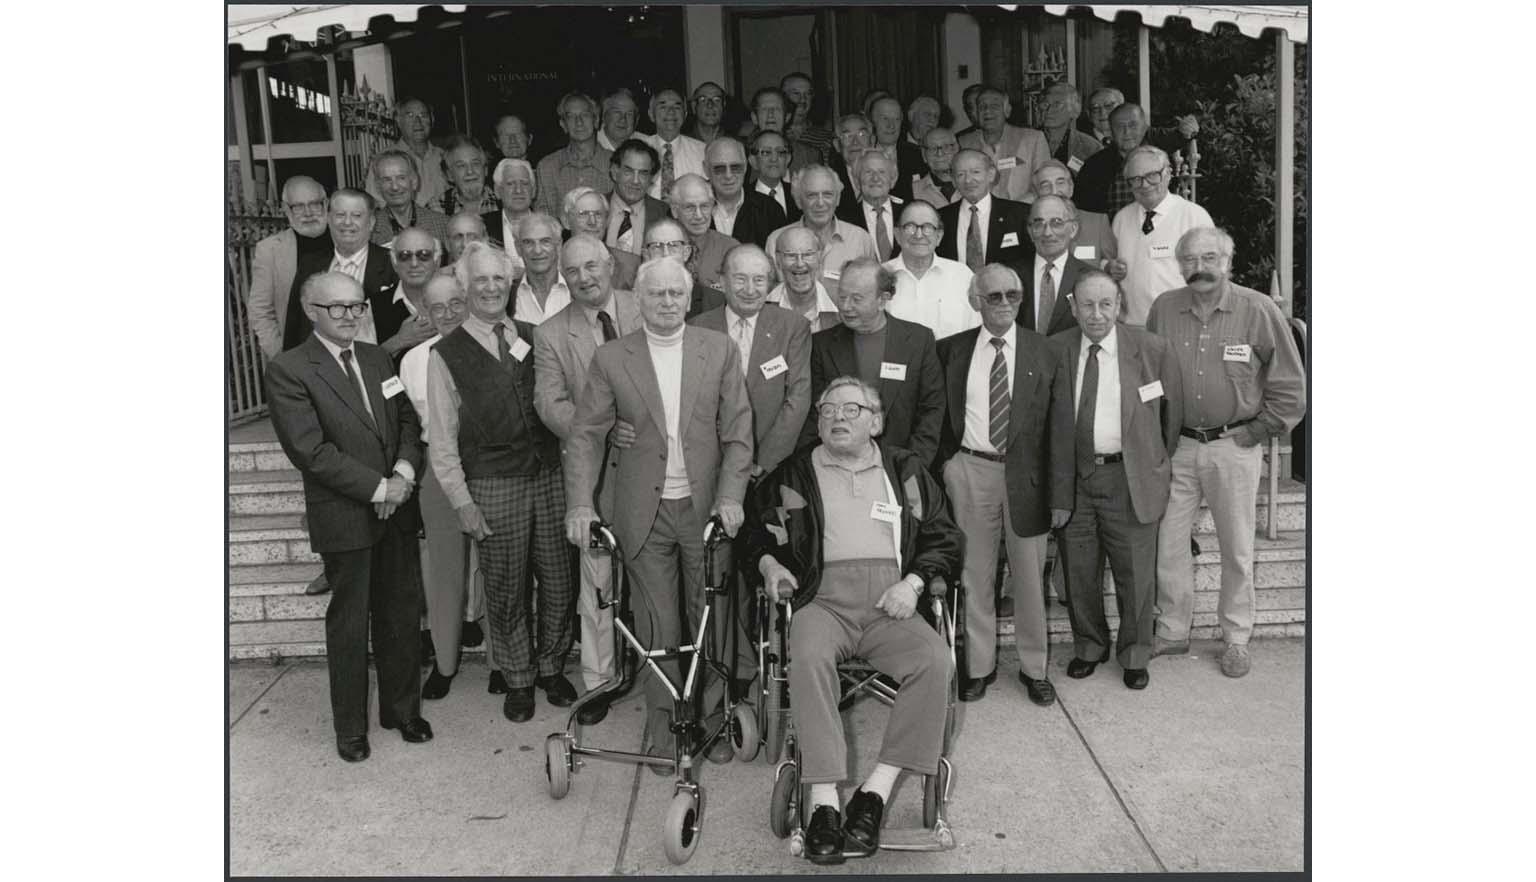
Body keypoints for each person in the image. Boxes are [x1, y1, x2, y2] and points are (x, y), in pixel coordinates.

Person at [741, 376, 962, 863]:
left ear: (876, 421)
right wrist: (770, 564)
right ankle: (822, 802)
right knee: (809, 655)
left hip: (891, 602)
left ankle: (873, 794)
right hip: (822, 601)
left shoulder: (905, 471)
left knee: (934, 661)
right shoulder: (793, 474)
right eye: (827, 410)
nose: (837, 417)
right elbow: (755, 535)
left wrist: (915, 584)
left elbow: (943, 537)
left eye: (851, 409)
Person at [562, 255, 753, 766]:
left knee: (710, 619)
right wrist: (581, 504)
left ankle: (710, 721)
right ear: (637, 300)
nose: (667, 302)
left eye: (675, 294)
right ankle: (668, 733)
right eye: (656, 294)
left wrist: (731, 497)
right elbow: (584, 436)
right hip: (642, 514)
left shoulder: (719, 350)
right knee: (657, 627)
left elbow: (738, 435)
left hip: (706, 510)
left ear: (689, 299)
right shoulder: (611, 358)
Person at [265, 271, 430, 762]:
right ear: (311, 310)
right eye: (336, 307)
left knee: (400, 615)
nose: (349, 315)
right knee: (351, 624)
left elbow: (406, 421)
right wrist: (377, 488)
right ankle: (351, 727)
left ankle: (402, 711)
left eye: (356, 306)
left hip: (396, 509)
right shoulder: (290, 369)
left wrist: (401, 474)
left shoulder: (379, 357)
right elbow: (311, 451)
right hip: (345, 515)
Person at [427, 241, 578, 721]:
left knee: (559, 581)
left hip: (550, 477)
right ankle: (518, 678)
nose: (490, 288)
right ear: (465, 288)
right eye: (480, 280)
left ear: (509, 282)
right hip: (493, 485)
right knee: (506, 588)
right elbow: (443, 441)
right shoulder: (444, 354)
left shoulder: (536, 335)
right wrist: (462, 503)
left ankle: (552, 666)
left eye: (498, 278)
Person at [1148, 227, 1305, 678]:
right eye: (1191, 259)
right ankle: (1173, 631)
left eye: (1211, 257)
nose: (1201, 267)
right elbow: (1151, 377)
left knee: (1237, 547)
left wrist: (1258, 431)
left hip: (1234, 446)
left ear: (1228, 262)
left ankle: (1236, 637)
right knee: (1169, 545)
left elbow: (1291, 385)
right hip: (1178, 446)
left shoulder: (1256, 309)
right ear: (1179, 265)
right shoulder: (1164, 309)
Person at [934, 263, 1073, 705]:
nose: (1005, 304)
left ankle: (1034, 669)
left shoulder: (1045, 351)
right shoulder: (949, 351)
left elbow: (1060, 430)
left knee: (1030, 579)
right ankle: (979, 667)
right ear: (977, 300)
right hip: (971, 471)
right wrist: (947, 467)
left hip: (1027, 477)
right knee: (975, 575)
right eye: (994, 296)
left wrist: (1060, 494)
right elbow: (937, 418)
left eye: (1013, 295)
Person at [1052, 269, 1183, 691]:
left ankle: (1135, 653)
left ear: (1119, 305)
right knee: (1079, 571)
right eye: (1086, 304)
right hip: (1075, 480)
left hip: (1129, 479)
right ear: (1072, 307)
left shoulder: (1151, 348)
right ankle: (1089, 648)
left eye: (1105, 304)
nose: (1096, 314)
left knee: (1136, 576)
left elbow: (1170, 418)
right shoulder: (1055, 350)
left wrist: (1150, 464)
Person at [532, 234, 644, 724]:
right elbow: (549, 402)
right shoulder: (552, 332)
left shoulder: (647, 307)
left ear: (610, 265)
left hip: (659, 466)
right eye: (573, 271)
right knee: (597, 582)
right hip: (595, 472)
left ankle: (660, 672)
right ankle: (599, 682)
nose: (584, 278)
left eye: (592, 266)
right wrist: (597, 426)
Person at [400, 272, 480, 698]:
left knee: (496, 567)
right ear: (423, 312)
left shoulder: (490, 345)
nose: (448, 314)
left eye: (455, 303)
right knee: (444, 569)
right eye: (437, 307)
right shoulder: (413, 360)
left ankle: (503, 663)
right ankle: (445, 663)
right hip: (437, 465)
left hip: (487, 464)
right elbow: (412, 423)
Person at [807, 258, 945, 466]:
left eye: (856, 299)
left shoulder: (918, 340)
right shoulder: (822, 344)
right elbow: (815, 413)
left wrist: (913, 465)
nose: (845, 306)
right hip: (836, 464)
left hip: (902, 463)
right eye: (842, 296)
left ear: (883, 299)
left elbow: (932, 409)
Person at [691, 244, 813, 478]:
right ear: (723, 281)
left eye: (758, 280)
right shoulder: (697, 328)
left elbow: (797, 398)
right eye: (740, 279)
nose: (750, 289)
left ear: (769, 284)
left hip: (769, 467)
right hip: (709, 464)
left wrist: (765, 461)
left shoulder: (793, 327)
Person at [283, 189, 402, 353]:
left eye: (357, 215)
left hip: (377, 366)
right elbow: (294, 325)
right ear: (329, 219)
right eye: (340, 215)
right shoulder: (309, 264)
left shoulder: (393, 264)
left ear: (372, 222)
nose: (347, 222)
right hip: (319, 370)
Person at [1107, 145, 1215, 326]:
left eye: (1152, 176)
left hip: (1179, 327)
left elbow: (1211, 278)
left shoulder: (1194, 217)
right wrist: (1111, 269)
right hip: (1132, 328)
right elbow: (1111, 265)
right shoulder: (1122, 218)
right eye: (1136, 179)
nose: (1144, 185)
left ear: (1168, 174)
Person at [763, 165, 878, 301]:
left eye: (827, 194)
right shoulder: (776, 240)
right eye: (812, 195)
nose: (820, 203)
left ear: (838, 199)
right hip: (793, 320)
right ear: (798, 201)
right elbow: (768, 297)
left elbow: (872, 293)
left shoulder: (860, 239)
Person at [249, 175, 331, 360]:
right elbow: (260, 309)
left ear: (326, 204)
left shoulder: (345, 239)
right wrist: (281, 353)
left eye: (314, 203)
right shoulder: (270, 250)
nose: (308, 212)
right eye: (298, 206)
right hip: (297, 356)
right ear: (286, 209)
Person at [1074, 102, 1200, 217]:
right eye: (1119, 127)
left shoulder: (1158, 152)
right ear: (1111, 131)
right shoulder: (1095, 166)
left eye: (1133, 125)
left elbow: (1183, 134)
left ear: (1145, 127)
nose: (1127, 132)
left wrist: (1189, 126)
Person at [883, 200, 978, 341]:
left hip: (950, 361)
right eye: (910, 226)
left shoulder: (962, 275)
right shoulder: (879, 275)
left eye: (928, 227)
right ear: (897, 234)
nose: (919, 235)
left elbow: (975, 331)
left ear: (939, 236)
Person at [936, 149, 1032, 273]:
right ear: (953, 181)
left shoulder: (1020, 214)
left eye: (975, 172)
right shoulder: (940, 218)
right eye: (960, 174)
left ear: (991, 174)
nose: (968, 180)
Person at [957, 87, 1049, 202]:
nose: (987, 111)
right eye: (982, 107)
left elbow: (1044, 184)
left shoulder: (1033, 139)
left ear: (1007, 111)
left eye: (994, 106)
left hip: (1022, 213)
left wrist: (1012, 210)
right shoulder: (963, 143)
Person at [1022, 195, 1097, 336]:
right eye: (1039, 224)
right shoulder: (1012, 275)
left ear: (1073, 229)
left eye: (1056, 223)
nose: (1047, 233)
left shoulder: (1092, 278)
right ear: (1030, 231)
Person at [536, 91, 613, 215]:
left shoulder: (615, 164)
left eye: (585, 114)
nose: (579, 122)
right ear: (563, 125)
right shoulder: (547, 167)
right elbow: (543, 220)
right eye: (571, 116)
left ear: (596, 120)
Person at [1032, 159, 1116, 266]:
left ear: (1071, 187)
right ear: (1036, 193)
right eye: (1045, 185)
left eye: (1060, 183)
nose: (1054, 191)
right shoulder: (1029, 229)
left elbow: (1111, 270)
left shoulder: (1098, 223)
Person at [706, 136, 785, 247]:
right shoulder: (690, 208)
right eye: (719, 168)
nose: (728, 175)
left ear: (745, 167)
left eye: (735, 167)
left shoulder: (770, 210)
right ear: (706, 169)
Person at [381, 227, 447, 360]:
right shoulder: (372, 306)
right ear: (394, 264)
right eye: (404, 256)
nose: (414, 263)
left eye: (424, 255)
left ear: (437, 262)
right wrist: (398, 341)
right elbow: (361, 364)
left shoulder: (457, 301)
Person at [641, 216, 725, 320]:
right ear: (646, 255)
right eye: (657, 246)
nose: (666, 254)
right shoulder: (632, 300)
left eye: (673, 246)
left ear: (686, 253)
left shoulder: (716, 301)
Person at [667, 173, 739, 292]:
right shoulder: (660, 247)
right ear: (674, 210)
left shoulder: (730, 249)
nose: (699, 216)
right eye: (690, 207)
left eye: (705, 206)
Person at [369, 149, 451, 248]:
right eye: (387, 179)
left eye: (401, 178)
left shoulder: (443, 224)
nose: (395, 187)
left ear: (414, 182)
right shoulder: (368, 229)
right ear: (378, 186)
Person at [768, 226, 841, 332]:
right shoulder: (762, 304)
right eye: (791, 255)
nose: (800, 263)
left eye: (808, 254)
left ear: (819, 258)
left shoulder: (841, 304)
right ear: (778, 260)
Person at [564, 186, 638, 290]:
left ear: (607, 221)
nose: (592, 222)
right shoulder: (554, 262)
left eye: (598, 214)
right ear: (566, 221)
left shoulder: (630, 266)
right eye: (584, 214)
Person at [838, 150, 904, 263]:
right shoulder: (844, 221)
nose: (875, 178)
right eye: (868, 172)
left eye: (882, 172)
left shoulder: (909, 213)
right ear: (857, 181)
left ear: (893, 180)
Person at [605, 138, 667, 256]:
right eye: (628, 171)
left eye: (643, 173)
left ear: (652, 178)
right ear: (614, 172)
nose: (635, 181)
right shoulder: (596, 207)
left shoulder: (664, 214)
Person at [644, 88, 707, 201]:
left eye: (677, 107)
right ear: (651, 114)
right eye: (663, 106)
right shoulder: (639, 150)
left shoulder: (702, 151)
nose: (671, 112)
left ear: (685, 114)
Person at [390, 97, 448, 208]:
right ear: (398, 120)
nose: (418, 122)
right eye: (410, 115)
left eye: (423, 115)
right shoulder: (385, 160)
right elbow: (377, 204)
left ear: (432, 119)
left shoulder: (444, 157)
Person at [512, 213, 569, 325]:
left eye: (545, 241)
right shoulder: (508, 295)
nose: (537, 250)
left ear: (558, 246)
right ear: (518, 248)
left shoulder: (576, 289)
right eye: (528, 243)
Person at [749, 87, 822, 173]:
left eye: (777, 109)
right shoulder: (742, 154)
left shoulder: (809, 155)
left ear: (787, 117)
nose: (770, 114)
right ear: (754, 118)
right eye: (764, 109)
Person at [1038, 83, 1104, 172]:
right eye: (1045, 104)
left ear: (1074, 111)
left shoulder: (1091, 147)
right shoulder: (1025, 141)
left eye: (1057, 104)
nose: (1049, 110)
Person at [867, 97, 922, 201]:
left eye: (896, 119)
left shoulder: (915, 153)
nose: (891, 125)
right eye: (885, 119)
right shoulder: (862, 154)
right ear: (873, 121)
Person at [483, 158, 537, 258]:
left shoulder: (549, 226)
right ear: (497, 191)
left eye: (524, 183)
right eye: (510, 184)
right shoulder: (483, 226)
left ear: (533, 190)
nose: (518, 190)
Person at [435, 135, 499, 217]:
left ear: (485, 169)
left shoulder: (504, 200)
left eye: (475, 163)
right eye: (461, 165)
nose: (470, 171)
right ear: (449, 175)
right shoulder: (437, 208)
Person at [780, 72, 834, 163]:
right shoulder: (773, 135)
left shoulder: (826, 138)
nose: (803, 99)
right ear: (782, 98)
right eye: (796, 93)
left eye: (808, 93)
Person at [748, 129, 800, 222]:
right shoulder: (743, 198)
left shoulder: (798, 195)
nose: (774, 159)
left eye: (780, 152)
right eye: (766, 152)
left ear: (788, 159)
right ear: (753, 161)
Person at [911, 127, 963, 208]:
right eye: (933, 148)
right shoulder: (912, 192)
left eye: (946, 146)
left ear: (957, 149)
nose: (939, 153)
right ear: (924, 154)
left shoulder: (976, 184)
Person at [595, 87, 639, 153]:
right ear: (604, 116)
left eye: (629, 114)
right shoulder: (590, 144)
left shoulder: (647, 144)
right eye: (617, 112)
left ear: (636, 120)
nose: (623, 119)